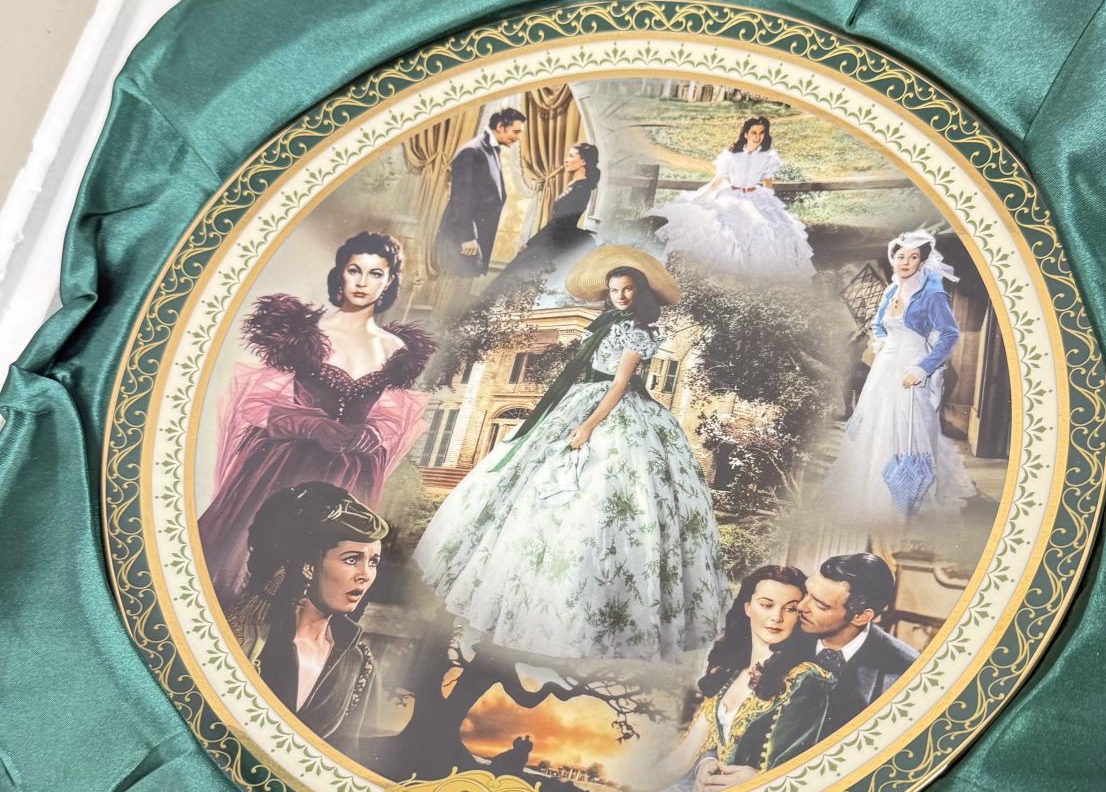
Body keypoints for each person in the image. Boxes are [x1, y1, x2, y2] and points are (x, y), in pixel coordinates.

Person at [413, 245, 726, 662]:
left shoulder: (638, 331)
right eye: (614, 290)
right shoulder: (604, 323)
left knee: (603, 491)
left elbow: (619, 384)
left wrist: (588, 425)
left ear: (640, 292)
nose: (620, 296)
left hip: (613, 409)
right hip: (581, 398)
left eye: (628, 289)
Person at [198, 231, 436, 606]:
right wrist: (310, 424)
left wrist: (373, 433)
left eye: (375, 273)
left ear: (390, 281)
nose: (362, 282)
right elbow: (254, 403)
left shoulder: (396, 349)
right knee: (251, 561)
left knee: (324, 572)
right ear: (340, 274)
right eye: (354, 270)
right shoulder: (304, 333)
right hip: (286, 465)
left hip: (351, 474)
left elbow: (394, 416)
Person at [821, 229, 976, 522]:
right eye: (901, 256)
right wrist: (881, 343)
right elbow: (879, 324)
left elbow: (948, 335)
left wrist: (921, 369)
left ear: (922, 262)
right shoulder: (892, 290)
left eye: (913, 257)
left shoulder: (932, 294)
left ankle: (906, 494)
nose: (905, 262)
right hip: (885, 367)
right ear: (893, 259)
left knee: (908, 427)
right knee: (876, 423)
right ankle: (871, 491)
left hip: (911, 366)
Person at [225, 482, 389, 757]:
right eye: (351, 559)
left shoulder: (356, 662)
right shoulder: (250, 639)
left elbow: (349, 756)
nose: (364, 575)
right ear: (309, 567)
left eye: (373, 562)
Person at [653, 565, 834, 792]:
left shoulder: (805, 679)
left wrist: (760, 779)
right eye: (766, 605)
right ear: (748, 607)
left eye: (790, 609)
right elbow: (684, 755)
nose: (776, 617)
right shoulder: (729, 676)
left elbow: (813, 768)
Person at [648, 115, 815, 279]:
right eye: (753, 132)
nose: (757, 137)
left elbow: (767, 183)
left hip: (756, 197)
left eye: (761, 133)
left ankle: (760, 274)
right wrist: (699, 199)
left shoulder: (768, 156)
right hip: (732, 195)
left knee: (770, 230)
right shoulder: (732, 155)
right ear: (746, 134)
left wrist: (772, 206)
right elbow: (716, 182)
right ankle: (725, 271)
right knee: (723, 225)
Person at [793, 552, 918, 740]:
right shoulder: (779, 634)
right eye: (806, 592)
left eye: (820, 605)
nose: (801, 606)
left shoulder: (906, 671)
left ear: (860, 616)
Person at [481, 141, 600, 299]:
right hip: (551, 239)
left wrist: (531, 244)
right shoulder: (575, 185)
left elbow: (559, 223)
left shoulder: (581, 189)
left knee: (513, 282)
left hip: (554, 243)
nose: (566, 160)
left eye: (571, 156)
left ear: (583, 161)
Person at [433, 107, 526, 279]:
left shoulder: (491, 150)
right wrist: (467, 236)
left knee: (460, 289)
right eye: (516, 131)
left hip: (473, 243)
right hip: (462, 241)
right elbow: (461, 198)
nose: (518, 137)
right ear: (500, 126)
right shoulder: (472, 151)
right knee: (450, 289)